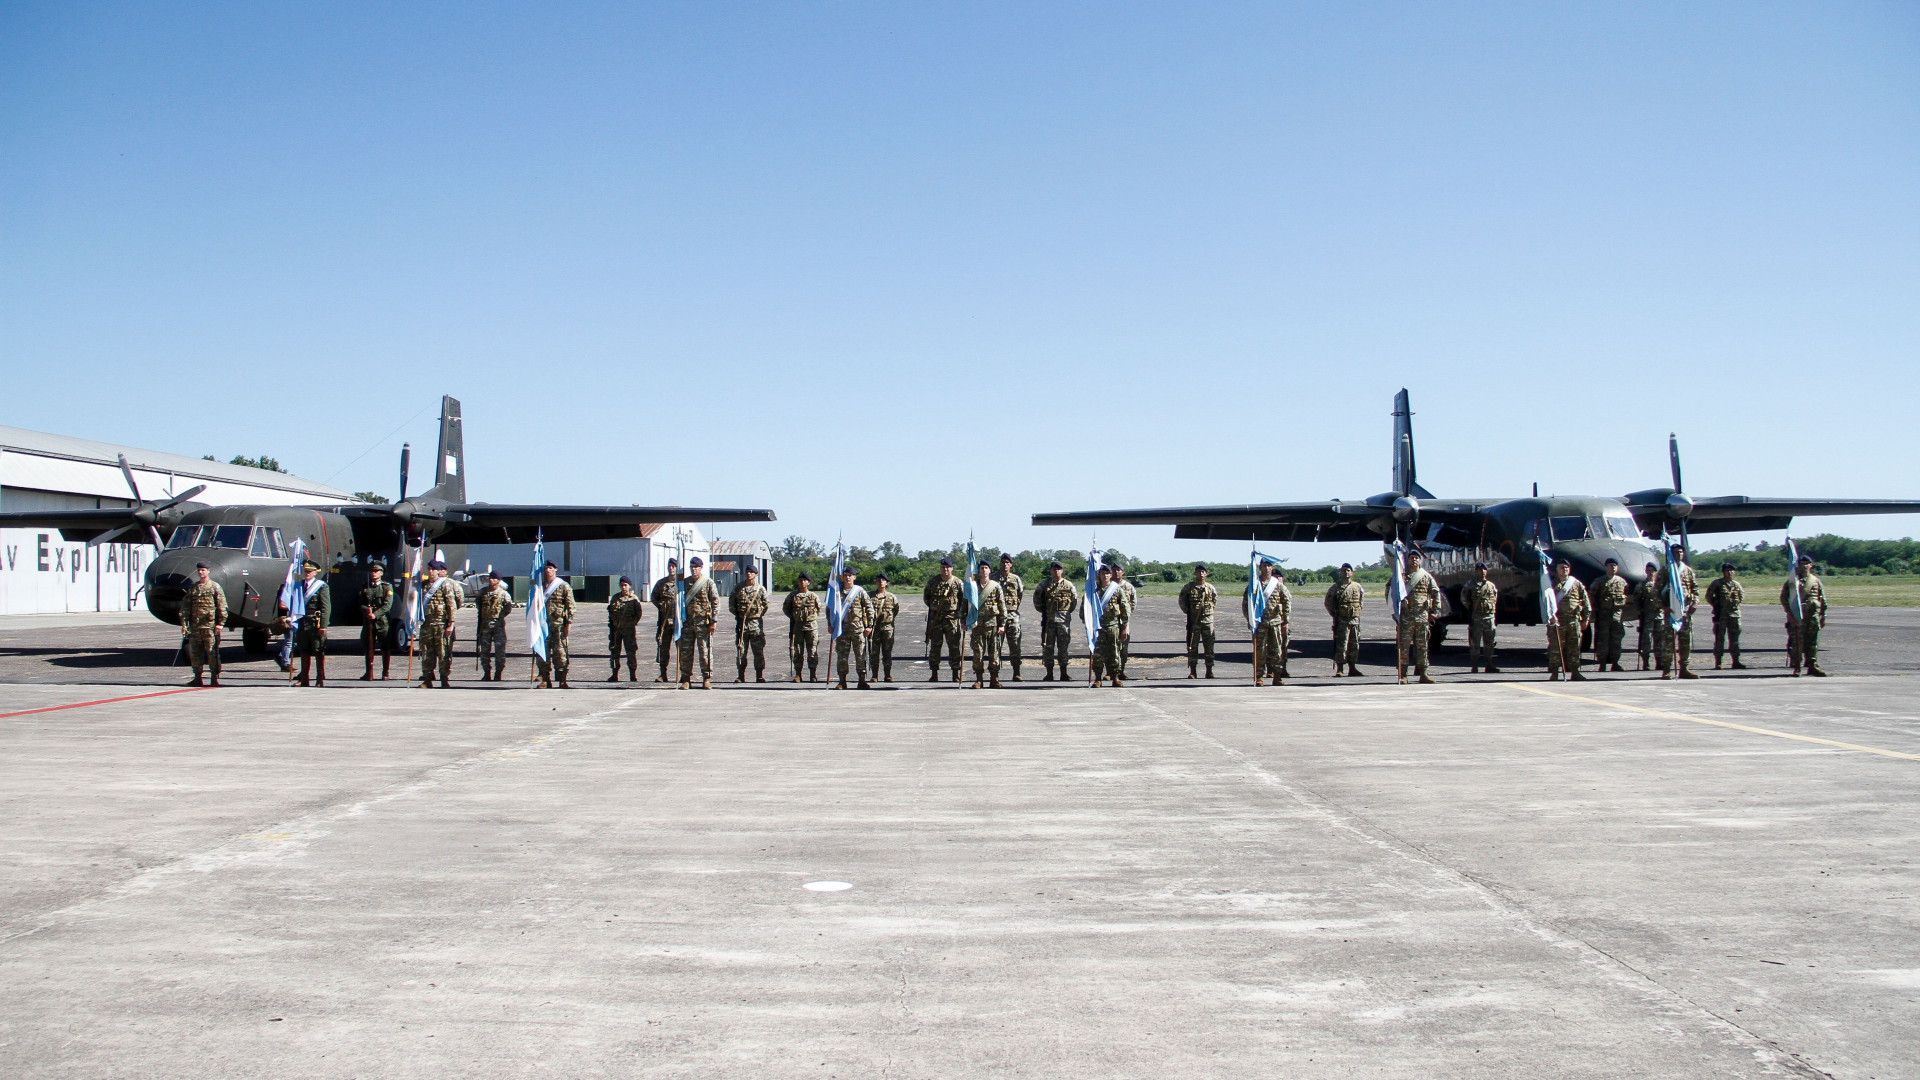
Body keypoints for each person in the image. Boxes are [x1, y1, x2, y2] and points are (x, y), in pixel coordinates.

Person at [1244, 559, 1290, 686]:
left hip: (1275, 622)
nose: (1266, 568)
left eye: (1269, 566)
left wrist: (1285, 620)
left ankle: (1277, 676)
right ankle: (1259, 676)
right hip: (1260, 623)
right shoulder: (1254, 585)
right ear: (1260, 567)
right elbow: (1246, 603)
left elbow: (1287, 602)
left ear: (1272, 567)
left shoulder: (1278, 585)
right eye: (1264, 566)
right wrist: (1249, 619)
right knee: (1260, 651)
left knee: (1276, 651)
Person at [181, 560, 226, 687]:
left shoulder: (214, 587)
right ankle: (197, 677)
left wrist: (220, 623)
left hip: (210, 626)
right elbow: (186, 607)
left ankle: (214, 678)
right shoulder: (194, 588)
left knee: (212, 653)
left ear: (208, 571)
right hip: (195, 626)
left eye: (203, 570)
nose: (201, 572)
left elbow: (222, 606)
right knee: (195, 653)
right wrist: (184, 624)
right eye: (199, 570)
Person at [416, 559, 461, 688]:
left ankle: (444, 679)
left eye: (433, 570)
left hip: (441, 624)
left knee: (443, 653)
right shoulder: (422, 586)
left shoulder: (444, 585)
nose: (430, 572)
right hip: (427, 625)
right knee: (426, 653)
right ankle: (427, 679)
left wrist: (450, 624)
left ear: (437, 571)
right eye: (429, 569)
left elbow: (451, 605)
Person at [1398, 550, 1441, 684]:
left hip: (1422, 617)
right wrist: (1395, 609)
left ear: (1420, 561)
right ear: (1408, 560)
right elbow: (1390, 591)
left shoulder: (1426, 576)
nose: (1414, 560)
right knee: (1403, 647)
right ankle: (1403, 675)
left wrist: (1435, 610)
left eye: (1417, 558)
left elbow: (1435, 592)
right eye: (1412, 558)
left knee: (1422, 647)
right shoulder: (1401, 577)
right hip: (1406, 617)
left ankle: (1423, 673)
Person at [677, 556, 720, 689]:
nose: (694, 569)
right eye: (692, 567)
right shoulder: (684, 583)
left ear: (701, 568)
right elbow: (678, 601)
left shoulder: (707, 582)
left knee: (705, 651)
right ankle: (686, 679)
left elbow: (715, 602)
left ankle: (706, 678)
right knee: (686, 652)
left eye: (696, 567)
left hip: (703, 623)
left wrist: (713, 620)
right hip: (687, 623)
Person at [1782, 555, 1828, 676]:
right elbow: (1784, 598)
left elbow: (1822, 598)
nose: (1805, 566)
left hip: (1813, 617)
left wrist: (1823, 615)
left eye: (1807, 564)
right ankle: (1797, 666)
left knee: (1813, 642)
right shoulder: (1793, 581)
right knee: (1797, 642)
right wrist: (1790, 614)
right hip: (1798, 616)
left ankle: (1812, 665)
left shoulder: (1815, 581)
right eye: (1802, 563)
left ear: (1811, 565)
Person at [1546, 558, 1590, 680]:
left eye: (1566, 567)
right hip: (1558, 621)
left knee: (1574, 648)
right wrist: (1550, 616)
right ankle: (1555, 672)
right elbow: (1546, 603)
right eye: (1562, 567)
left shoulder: (1576, 584)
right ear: (1557, 569)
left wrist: (1585, 619)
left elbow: (1586, 602)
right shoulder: (1551, 584)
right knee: (1556, 648)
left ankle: (1575, 671)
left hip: (1573, 621)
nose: (1564, 569)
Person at [1660, 547, 1701, 680]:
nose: (1679, 554)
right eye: (1676, 552)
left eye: (1681, 552)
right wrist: (1663, 606)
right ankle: (1666, 669)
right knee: (1669, 642)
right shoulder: (1666, 571)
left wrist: (1694, 603)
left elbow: (1695, 590)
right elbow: (1656, 591)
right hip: (1671, 612)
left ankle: (1684, 668)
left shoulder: (1688, 571)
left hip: (1685, 612)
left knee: (1685, 642)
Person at [831, 566, 875, 689]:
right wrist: (830, 624)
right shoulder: (837, 591)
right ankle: (842, 681)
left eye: (850, 575)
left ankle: (862, 680)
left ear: (854, 577)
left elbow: (869, 608)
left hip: (858, 629)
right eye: (845, 575)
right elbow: (830, 608)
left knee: (860, 655)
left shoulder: (859, 591)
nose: (847, 577)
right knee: (842, 656)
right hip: (842, 629)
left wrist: (869, 626)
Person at [923, 557, 965, 682]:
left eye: (947, 567)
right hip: (936, 619)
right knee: (935, 646)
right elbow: (927, 598)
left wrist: (959, 614)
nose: (945, 569)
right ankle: (934, 673)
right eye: (943, 567)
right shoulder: (933, 581)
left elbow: (963, 600)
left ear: (952, 568)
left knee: (954, 647)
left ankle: (955, 673)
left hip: (951, 619)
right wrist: (935, 608)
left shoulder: (957, 582)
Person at [1035, 560, 1078, 681]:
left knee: (1063, 647)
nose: (1056, 571)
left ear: (1062, 571)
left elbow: (1074, 602)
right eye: (1054, 569)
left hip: (1063, 621)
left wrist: (1065, 613)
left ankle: (1064, 672)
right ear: (1051, 570)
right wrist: (1044, 611)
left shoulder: (1069, 585)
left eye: (1059, 569)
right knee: (1048, 647)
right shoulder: (1044, 585)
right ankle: (1049, 673)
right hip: (1049, 621)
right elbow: (1037, 600)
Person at [967, 560, 1007, 688]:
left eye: (986, 568)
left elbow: (1002, 606)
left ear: (989, 570)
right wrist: (964, 620)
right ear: (978, 570)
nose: (984, 570)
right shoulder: (973, 586)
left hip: (992, 625)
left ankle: (994, 678)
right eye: (981, 568)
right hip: (977, 624)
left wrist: (1002, 624)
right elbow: (965, 604)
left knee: (994, 653)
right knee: (978, 653)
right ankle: (979, 679)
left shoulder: (995, 586)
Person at [536, 561, 574, 688]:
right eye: (546, 568)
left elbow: (571, 607)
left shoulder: (563, 586)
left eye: (550, 568)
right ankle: (545, 679)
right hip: (543, 626)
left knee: (560, 653)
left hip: (558, 626)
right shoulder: (539, 586)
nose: (548, 570)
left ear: (555, 570)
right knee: (542, 653)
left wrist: (568, 624)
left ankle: (562, 680)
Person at [292, 560, 331, 687]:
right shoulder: (299, 585)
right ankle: (304, 679)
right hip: (303, 622)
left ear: (315, 572)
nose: (307, 573)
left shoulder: (321, 586)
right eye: (305, 571)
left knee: (318, 650)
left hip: (315, 622)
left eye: (310, 571)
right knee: (304, 651)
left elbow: (326, 607)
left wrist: (323, 626)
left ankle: (319, 678)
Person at [1177, 564, 1219, 678]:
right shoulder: (1189, 587)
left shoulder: (1210, 588)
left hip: (1207, 622)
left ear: (1206, 574)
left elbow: (1214, 601)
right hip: (1193, 622)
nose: (1201, 574)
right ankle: (1193, 670)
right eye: (1198, 571)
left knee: (1209, 646)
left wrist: (1207, 614)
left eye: (1203, 572)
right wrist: (1190, 613)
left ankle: (1209, 670)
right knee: (1192, 646)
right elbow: (1182, 601)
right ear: (1195, 573)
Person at [1589, 558, 1630, 673]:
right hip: (1603, 616)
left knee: (1616, 641)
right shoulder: (1600, 581)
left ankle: (1615, 663)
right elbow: (1592, 596)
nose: (1613, 567)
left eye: (1615, 565)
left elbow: (1626, 596)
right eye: (1610, 565)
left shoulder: (1622, 582)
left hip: (1617, 617)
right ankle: (1602, 663)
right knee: (1603, 641)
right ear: (1606, 567)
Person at [730, 566, 770, 683]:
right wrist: (739, 616)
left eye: (752, 572)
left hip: (756, 624)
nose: (749, 574)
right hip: (742, 624)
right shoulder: (738, 588)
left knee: (758, 651)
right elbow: (732, 604)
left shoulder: (760, 589)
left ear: (756, 574)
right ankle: (741, 675)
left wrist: (757, 615)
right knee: (741, 650)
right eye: (747, 572)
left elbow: (765, 605)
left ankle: (759, 675)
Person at [1090, 564, 1127, 687]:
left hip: (1113, 626)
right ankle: (1098, 678)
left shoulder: (1116, 590)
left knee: (1115, 653)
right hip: (1098, 628)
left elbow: (1125, 609)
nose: (1105, 575)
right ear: (1099, 575)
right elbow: (1084, 610)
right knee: (1098, 654)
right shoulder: (1093, 590)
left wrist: (1124, 627)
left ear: (1111, 575)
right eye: (1102, 573)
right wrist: (1089, 625)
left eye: (1107, 573)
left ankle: (1115, 677)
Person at [358, 562, 395, 681]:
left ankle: (386, 672)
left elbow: (387, 606)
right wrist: (367, 612)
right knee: (368, 646)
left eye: (376, 571)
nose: (373, 573)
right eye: (372, 571)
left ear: (381, 573)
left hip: (381, 621)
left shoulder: (386, 587)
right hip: (368, 622)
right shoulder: (365, 587)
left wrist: (375, 614)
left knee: (385, 647)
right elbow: (360, 603)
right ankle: (369, 672)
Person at [1325, 564, 1364, 676]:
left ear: (1352, 573)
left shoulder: (1357, 587)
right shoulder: (1335, 588)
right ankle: (1340, 668)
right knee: (1341, 644)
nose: (1346, 572)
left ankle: (1352, 667)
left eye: (1348, 570)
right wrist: (1335, 614)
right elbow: (1328, 603)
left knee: (1354, 644)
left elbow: (1361, 602)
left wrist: (1356, 613)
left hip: (1354, 620)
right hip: (1341, 621)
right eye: (1343, 571)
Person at [475, 571, 514, 681]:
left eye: (494, 578)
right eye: (490, 578)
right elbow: (479, 606)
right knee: (484, 650)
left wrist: (498, 617)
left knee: (500, 651)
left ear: (499, 580)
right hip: (485, 626)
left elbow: (508, 609)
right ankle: (487, 672)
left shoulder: (504, 594)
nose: (491, 580)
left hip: (498, 626)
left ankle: (498, 672)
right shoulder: (482, 593)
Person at [993, 553, 1027, 681]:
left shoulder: (1016, 579)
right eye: (1003, 562)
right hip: (997, 617)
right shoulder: (993, 578)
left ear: (1011, 564)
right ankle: (994, 673)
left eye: (1007, 562)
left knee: (1015, 645)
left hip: (1012, 616)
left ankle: (1016, 672)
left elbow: (1020, 595)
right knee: (995, 646)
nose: (1005, 564)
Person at [784, 571, 822, 682]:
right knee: (798, 651)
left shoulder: (813, 596)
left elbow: (818, 609)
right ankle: (798, 674)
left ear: (808, 582)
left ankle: (813, 674)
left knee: (812, 651)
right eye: (800, 580)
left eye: (804, 581)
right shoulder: (792, 595)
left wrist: (810, 618)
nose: (802, 582)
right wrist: (794, 617)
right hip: (798, 626)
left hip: (811, 627)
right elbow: (786, 608)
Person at [1707, 562, 1745, 670]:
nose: (1729, 572)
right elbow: (1709, 596)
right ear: (1723, 572)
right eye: (1727, 570)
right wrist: (1716, 605)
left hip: (1734, 615)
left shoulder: (1736, 585)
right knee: (1719, 639)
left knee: (1735, 639)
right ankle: (1718, 662)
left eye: (1731, 570)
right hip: (1721, 615)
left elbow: (1741, 597)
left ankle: (1736, 661)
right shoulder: (1717, 583)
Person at [1462, 562, 1499, 674]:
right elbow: (1464, 598)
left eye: (1484, 569)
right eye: (1479, 569)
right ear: (1476, 571)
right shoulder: (1470, 584)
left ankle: (1489, 664)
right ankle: (1475, 666)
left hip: (1489, 617)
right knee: (1475, 643)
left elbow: (1495, 598)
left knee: (1490, 642)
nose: (1482, 571)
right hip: (1477, 618)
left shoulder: (1491, 585)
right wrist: (1472, 610)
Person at [649, 558, 680, 682]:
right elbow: (654, 597)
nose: (671, 568)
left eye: (673, 566)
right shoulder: (661, 583)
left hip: (678, 621)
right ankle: (663, 673)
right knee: (663, 648)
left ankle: (682, 674)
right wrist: (662, 606)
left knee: (681, 649)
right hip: (665, 622)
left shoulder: (681, 583)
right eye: (669, 566)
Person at [607, 576, 644, 682]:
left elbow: (638, 614)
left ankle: (632, 674)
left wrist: (632, 623)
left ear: (629, 586)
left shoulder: (634, 599)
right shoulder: (615, 598)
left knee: (631, 652)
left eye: (625, 585)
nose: (623, 587)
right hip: (617, 630)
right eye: (622, 585)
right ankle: (614, 674)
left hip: (629, 630)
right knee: (615, 652)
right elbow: (611, 613)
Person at [867, 572, 899, 682]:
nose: (881, 582)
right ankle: (874, 675)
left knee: (887, 652)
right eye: (879, 580)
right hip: (874, 628)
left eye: (883, 580)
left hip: (887, 628)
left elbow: (895, 610)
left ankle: (887, 675)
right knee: (874, 652)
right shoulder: (869, 596)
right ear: (876, 582)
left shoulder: (891, 597)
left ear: (886, 583)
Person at [1633, 561, 1663, 671]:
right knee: (1646, 640)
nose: (1650, 573)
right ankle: (1646, 662)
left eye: (1652, 571)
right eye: (1648, 570)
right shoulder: (1642, 585)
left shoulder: (1660, 585)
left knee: (1659, 640)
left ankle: (1659, 662)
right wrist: (1640, 611)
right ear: (1645, 571)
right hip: (1647, 616)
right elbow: (1636, 599)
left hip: (1659, 615)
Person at [1112, 562, 1138, 679]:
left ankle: (1120, 671)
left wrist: (1125, 616)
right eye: (1114, 570)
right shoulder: (1107, 586)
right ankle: (1110, 672)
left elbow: (1133, 603)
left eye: (1119, 570)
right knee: (1110, 648)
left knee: (1123, 648)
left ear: (1123, 572)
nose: (1116, 572)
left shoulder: (1129, 587)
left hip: (1124, 621)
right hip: (1110, 620)